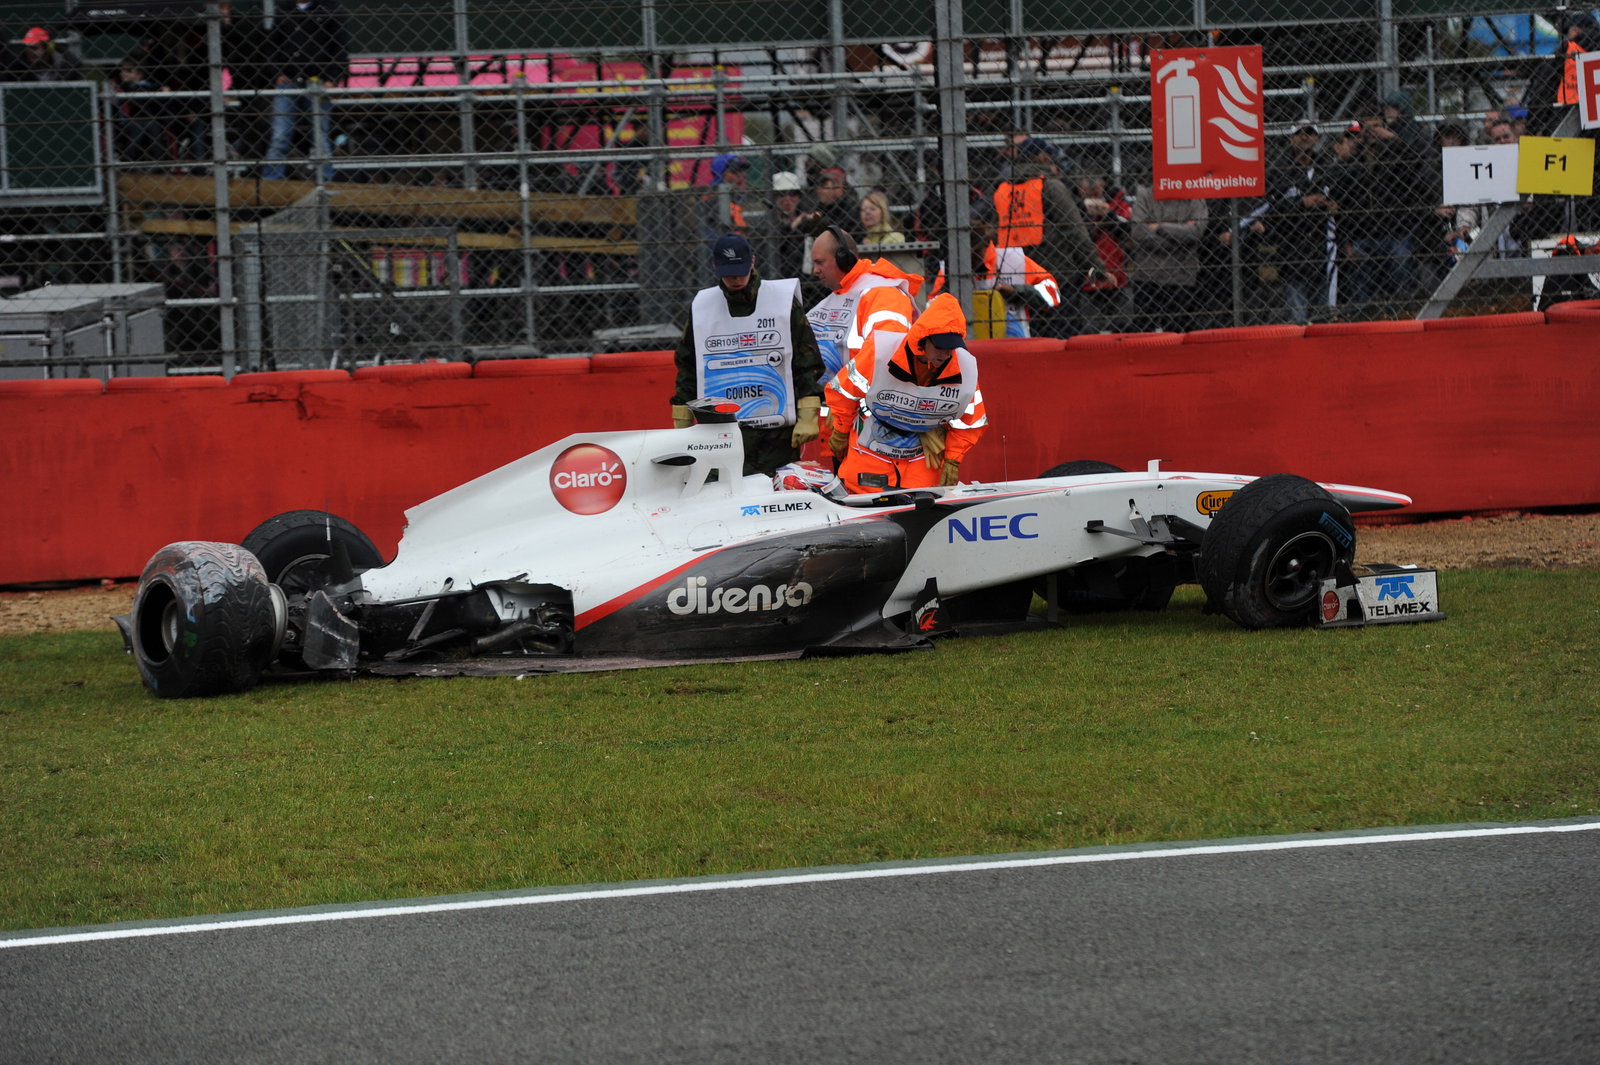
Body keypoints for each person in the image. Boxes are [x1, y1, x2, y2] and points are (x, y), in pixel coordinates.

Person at [670, 234, 824, 477]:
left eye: (741, 270)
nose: (736, 278)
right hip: (721, 434)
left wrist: (808, 415)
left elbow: (806, 360)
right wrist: (682, 422)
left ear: (753, 261)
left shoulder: (782, 301)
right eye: (729, 272)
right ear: (715, 267)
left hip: (777, 434)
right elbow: (688, 365)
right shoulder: (702, 307)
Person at [825, 292, 986, 493]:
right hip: (870, 453)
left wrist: (953, 459)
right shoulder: (881, 352)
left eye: (951, 348)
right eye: (939, 347)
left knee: (924, 506)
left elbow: (972, 421)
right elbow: (843, 391)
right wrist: (840, 431)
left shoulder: (965, 369)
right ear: (922, 341)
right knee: (864, 507)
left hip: (922, 460)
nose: (945, 354)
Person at [992, 136, 1107, 337]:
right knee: (1061, 336)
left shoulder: (1002, 188)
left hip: (1014, 271)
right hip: (1055, 273)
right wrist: (1095, 265)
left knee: (1023, 334)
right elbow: (1074, 229)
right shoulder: (1050, 185)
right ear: (1043, 157)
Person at [805, 226, 922, 383]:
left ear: (843, 259)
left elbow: (885, 353)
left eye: (820, 262)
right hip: (838, 398)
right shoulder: (838, 296)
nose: (815, 271)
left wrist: (839, 394)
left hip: (863, 401)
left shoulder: (883, 294)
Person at [932, 207, 1061, 339]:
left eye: (975, 253)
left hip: (1014, 343)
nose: (971, 258)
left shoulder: (1014, 260)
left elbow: (1053, 294)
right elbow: (931, 306)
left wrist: (1016, 292)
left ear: (986, 245)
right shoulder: (950, 267)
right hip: (967, 343)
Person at [261, 0, 349, 181]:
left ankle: (325, 180)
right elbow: (270, 46)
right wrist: (276, 73)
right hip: (289, 80)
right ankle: (272, 181)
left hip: (318, 81)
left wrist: (332, 79)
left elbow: (340, 47)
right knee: (281, 135)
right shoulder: (284, 11)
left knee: (320, 134)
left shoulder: (328, 10)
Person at [1265, 123, 1341, 323]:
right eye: (1299, 134)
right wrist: (1302, 203)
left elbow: (1342, 198)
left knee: (1322, 317)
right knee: (1298, 318)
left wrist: (1333, 206)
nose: (1304, 138)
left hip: (1321, 249)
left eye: (1309, 133)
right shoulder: (1279, 170)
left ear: (1316, 139)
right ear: (1291, 139)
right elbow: (1272, 208)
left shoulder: (1327, 166)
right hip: (1292, 250)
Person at [1126, 185, 1208, 333]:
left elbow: (1196, 232)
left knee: (1176, 332)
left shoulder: (1195, 196)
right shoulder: (1145, 194)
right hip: (1148, 275)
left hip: (1181, 276)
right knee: (1143, 334)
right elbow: (1138, 232)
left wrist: (1158, 227)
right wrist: (1180, 235)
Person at [1073, 162, 1133, 333]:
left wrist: (1107, 215)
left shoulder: (1115, 198)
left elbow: (1127, 227)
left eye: (1096, 192)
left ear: (1102, 186)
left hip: (1118, 273)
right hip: (1086, 276)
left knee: (1124, 326)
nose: (1093, 195)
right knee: (1089, 329)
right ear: (1079, 188)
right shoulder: (1074, 203)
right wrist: (1085, 212)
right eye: (1087, 192)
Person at [754, 171, 809, 281]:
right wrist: (791, 228)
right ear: (773, 198)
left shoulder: (806, 220)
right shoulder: (765, 224)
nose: (787, 199)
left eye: (793, 193)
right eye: (782, 194)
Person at [703, 152, 751, 236]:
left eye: (743, 171)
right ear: (721, 174)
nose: (742, 175)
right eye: (735, 171)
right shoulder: (713, 201)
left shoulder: (736, 199)